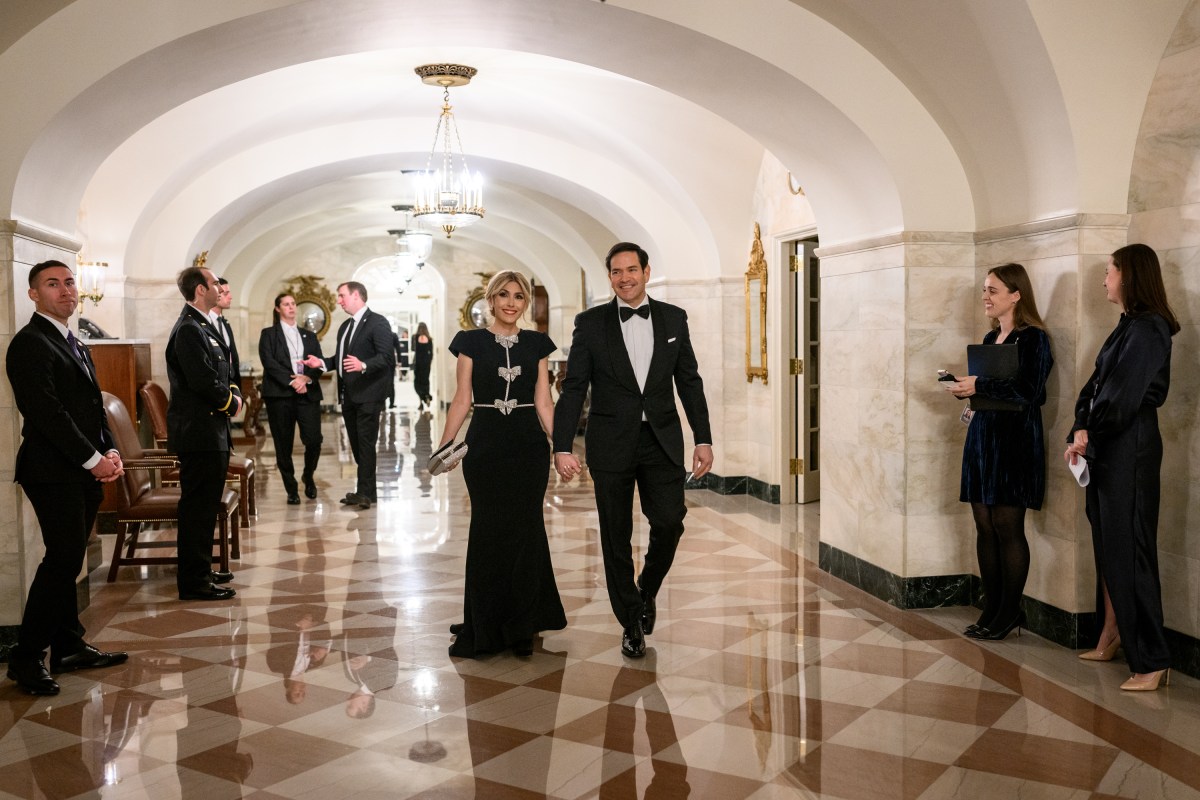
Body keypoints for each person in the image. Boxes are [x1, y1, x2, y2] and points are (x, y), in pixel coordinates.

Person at [554, 242, 713, 658]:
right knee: (615, 535)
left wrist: (703, 438)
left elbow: (689, 382)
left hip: (661, 441)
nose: (624, 277)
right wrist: (560, 445)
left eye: (631, 269)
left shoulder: (673, 318)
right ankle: (630, 621)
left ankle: (645, 591)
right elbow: (574, 388)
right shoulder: (590, 323)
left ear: (646, 271)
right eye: (616, 272)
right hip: (610, 443)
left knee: (670, 522)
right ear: (609, 277)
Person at [4, 260, 129, 695]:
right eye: (52, 284)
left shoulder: (72, 341)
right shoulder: (29, 344)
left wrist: (109, 448)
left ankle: (68, 645)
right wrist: (93, 459)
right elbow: (48, 415)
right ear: (33, 294)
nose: (66, 291)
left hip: (79, 469)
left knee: (68, 558)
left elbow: (91, 406)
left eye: (69, 282)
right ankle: (25, 657)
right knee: (61, 560)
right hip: (50, 470)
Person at [1065, 243, 1180, 692]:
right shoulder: (1128, 325)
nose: (1104, 279)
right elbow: (1095, 386)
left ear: (1129, 275)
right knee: (1108, 544)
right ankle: (1112, 633)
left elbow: (1123, 398)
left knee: (1130, 551)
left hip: (1129, 446)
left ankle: (1152, 659)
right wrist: (1079, 427)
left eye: (1109, 271)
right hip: (1108, 445)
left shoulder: (1150, 329)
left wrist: (1089, 433)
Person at [438, 271, 567, 658]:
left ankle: (522, 624)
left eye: (519, 297)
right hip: (486, 446)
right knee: (489, 532)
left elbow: (545, 401)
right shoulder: (470, 342)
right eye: (504, 295)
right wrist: (445, 446)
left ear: (525, 304)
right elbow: (462, 399)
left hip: (528, 447)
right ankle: (485, 621)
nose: (512, 303)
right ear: (490, 300)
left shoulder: (538, 344)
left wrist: (560, 446)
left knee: (527, 532)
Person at [942, 263, 1053, 641]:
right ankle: (991, 608)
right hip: (983, 437)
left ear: (1016, 294)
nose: (985, 297)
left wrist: (981, 383)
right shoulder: (990, 341)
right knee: (984, 525)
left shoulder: (1034, 339)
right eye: (984, 290)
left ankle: (1010, 611)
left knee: (1008, 526)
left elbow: (1032, 392)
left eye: (992, 290)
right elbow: (987, 390)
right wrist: (966, 388)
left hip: (1015, 441)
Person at [167, 265, 242, 601]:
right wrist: (233, 404)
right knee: (197, 508)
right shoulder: (189, 329)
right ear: (200, 290)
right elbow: (202, 381)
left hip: (211, 431)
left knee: (204, 505)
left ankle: (201, 569)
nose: (219, 286)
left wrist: (233, 394)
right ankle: (193, 581)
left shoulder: (202, 325)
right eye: (214, 283)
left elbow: (221, 371)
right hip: (199, 433)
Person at [303, 281, 394, 509]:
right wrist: (321, 363)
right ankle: (368, 492)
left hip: (369, 394)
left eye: (342, 295)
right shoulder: (345, 327)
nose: (339, 300)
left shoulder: (378, 322)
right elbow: (341, 360)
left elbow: (386, 358)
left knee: (365, 443)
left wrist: (363, 364)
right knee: (357, 444)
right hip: (349, 395)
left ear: (356, 296)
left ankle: (363, 492)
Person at [259, 293, 325, 504]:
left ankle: (308, 475)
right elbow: (269, 363)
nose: (291, 307)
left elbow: (318, 364)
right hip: (280, 396)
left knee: (314, 440)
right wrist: (293, 381)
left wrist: (305, 378)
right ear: (278, 308)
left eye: (293, 304)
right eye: (286, 304)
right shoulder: (269, 334)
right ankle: (291, 487)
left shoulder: (309, 335)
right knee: (283, 443)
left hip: (307, 394)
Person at [213, 277, 243, 389]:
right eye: (225, 294)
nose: (230, 297)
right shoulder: (205, 324)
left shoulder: (225, 323)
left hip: (231, 384)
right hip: (216, 387)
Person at [412, 321, 434, 410]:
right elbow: (431, 353)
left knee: (417, 382)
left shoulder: (414, 337)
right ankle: (427, 396)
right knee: (425, 381)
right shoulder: (429, 339)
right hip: (426, 363)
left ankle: (421, 401)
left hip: (418, 363)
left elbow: (413, 349)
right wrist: (429, 362)